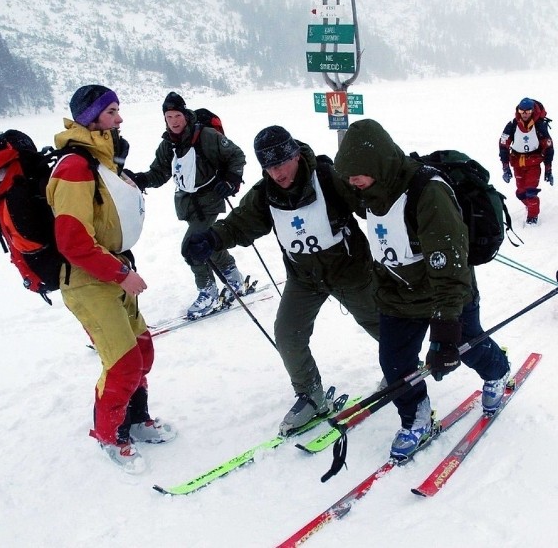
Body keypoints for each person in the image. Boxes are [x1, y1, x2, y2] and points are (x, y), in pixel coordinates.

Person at [181, 126, 380, 434]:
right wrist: (210, 239)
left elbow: (370, 202)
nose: (276, 173)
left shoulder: (327, 177)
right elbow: (239, 224)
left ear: (296, 156)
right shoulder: (266, 193)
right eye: (269, 167)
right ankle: (311, 394)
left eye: (280, 164)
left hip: (350, 271)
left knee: (381, 323)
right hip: (304, 278)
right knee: (287, 334)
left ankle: (401, 368)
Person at [333, 119, 510, 460]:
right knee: (395, 363)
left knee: (465, 343)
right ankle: (416, 418)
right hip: (398, 294)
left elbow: (451, 267)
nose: (353, 183)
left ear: (378, 165)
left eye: (358, 175)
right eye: (349, 177)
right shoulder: (369, 190)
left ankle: (497, 372)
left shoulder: (428, 193)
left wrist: (445, 330)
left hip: (447, 289)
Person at [47, 85, 176, 474]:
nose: (119, 119)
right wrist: (121, 274)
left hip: (112, 273)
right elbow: (72, 239)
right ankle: (110, 434)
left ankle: (137, 420)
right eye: (111, 112)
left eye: (117, 111)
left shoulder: (101, 162)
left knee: (142, 351)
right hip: (89, 282)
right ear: (90, 118)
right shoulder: (73, 167)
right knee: (121, 363)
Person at [125, 91, 247, 317]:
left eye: (177, 116)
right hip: (188, 205)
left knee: (192, 247)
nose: (174, 121)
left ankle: (207, 292)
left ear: (185, 115)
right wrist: (141, 179)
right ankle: (234, 278)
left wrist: (231, 180)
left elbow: (237, 155)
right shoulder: (168, 145)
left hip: (210, 200)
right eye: (169, 117)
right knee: (207, 244)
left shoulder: (207, 136)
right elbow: (159, 173)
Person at [498, 97, 555, 225]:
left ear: (532, 111)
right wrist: (505, 167)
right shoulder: (512, 125)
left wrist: (548, 170)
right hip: (517, 163)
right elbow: (503, 145)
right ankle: (530, 206)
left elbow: (548, 147)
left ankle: (532, 217)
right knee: (521, 193)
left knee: (531, 191)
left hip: (534, 163)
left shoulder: (539, 126)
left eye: (528, 111)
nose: (524, 114)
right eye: (522, 111)